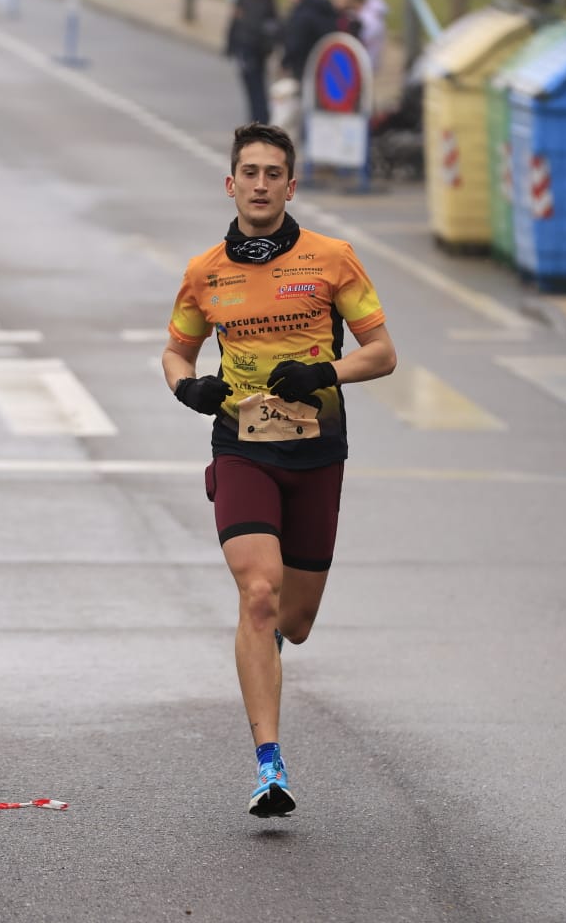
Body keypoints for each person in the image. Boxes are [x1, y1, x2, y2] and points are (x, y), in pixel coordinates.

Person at [162, 123, 397, 817]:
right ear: (230, 184)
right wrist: (188, 387)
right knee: (257, 594)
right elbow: (175, 352)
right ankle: (270, 766)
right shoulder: (205, 273)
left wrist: (324, 369)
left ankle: (270, 650)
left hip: (317, 452)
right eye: (249, 172)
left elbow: (382, 352)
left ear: (291, 187)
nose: (260, 184)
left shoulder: (332, 261)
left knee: (293, 619)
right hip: (241, 447)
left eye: (273, 174)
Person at [225, 0, 279, 125]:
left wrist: (242, 15)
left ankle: (259, 120)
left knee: (255, 86)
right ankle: (257, 119)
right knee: (253, 85)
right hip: (252, 47)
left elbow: (252, 21)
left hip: (251, 47)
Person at [354, 0, 388, 76]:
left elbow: (366, 36)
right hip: (369, 47)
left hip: (369, 46)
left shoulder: (369, 15)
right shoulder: (367, 13)